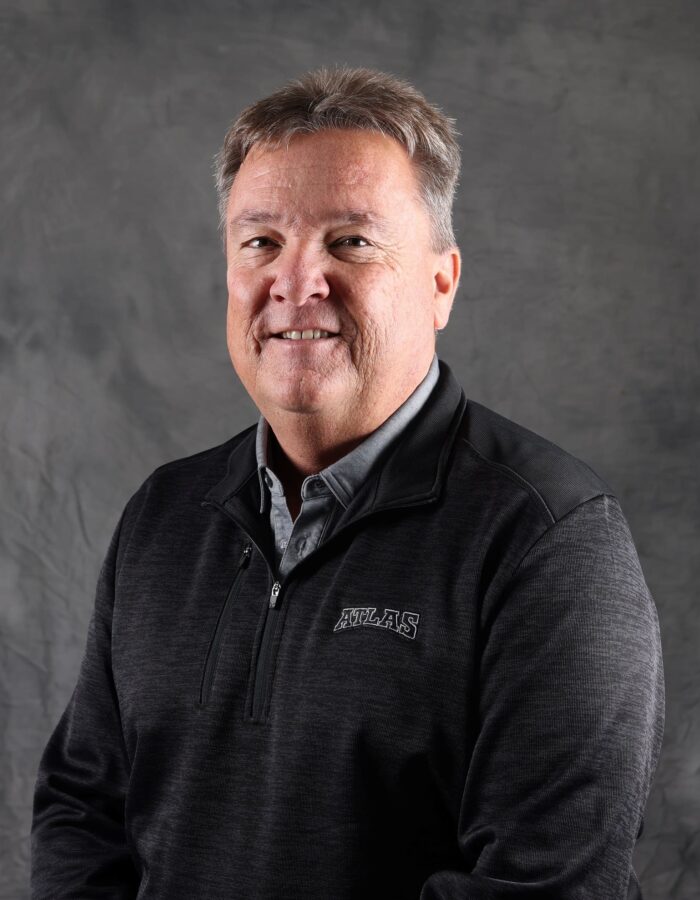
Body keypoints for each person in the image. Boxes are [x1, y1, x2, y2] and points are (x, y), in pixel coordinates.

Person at [30, 66, 665, 900]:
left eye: (350, 240)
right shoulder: (164, 515)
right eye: (260, 242)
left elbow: (546, 886)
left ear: (442, 282)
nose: (296, 282)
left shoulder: (551, 538)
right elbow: (83, 813)